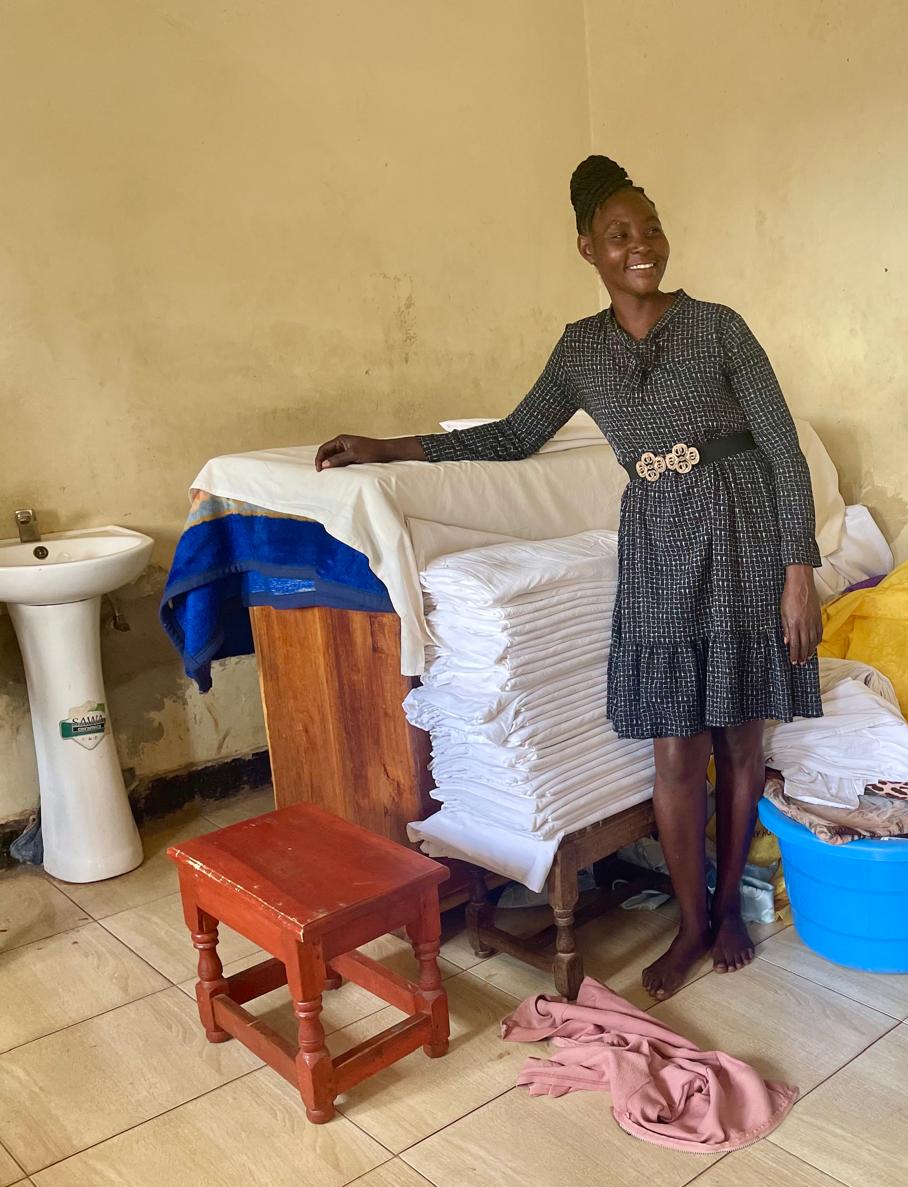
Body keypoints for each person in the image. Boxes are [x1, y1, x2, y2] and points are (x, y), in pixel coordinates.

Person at [314, 155, 823, 999]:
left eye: (651, 228)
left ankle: (727, 907)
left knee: (738, 737)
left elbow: (782, 447)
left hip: (742, 533)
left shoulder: (721, 326)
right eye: (621, 235)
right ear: (588, 248)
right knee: (674, 745)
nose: (642, 246)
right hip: (659, 543)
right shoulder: (581, 350)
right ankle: (691, 924)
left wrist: (797, 568)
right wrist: (391, 446)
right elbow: (514, 435)